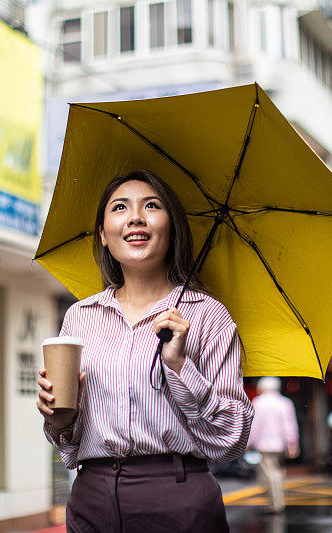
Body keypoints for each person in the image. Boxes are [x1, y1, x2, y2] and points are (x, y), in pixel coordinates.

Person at [36, 169, 254, 532]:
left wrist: (180, 365)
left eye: (151, 206)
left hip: (178, 500)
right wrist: (59, 421)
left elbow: (232, 440)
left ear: (171, 227)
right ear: (104, 235)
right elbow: (70, 443)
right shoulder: (80, 317)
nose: (136, 216)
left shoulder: (207, 315)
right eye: (120, 207)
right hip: (93, 496)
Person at [247, 377, 299, 514]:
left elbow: (254, 426)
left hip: (263, 445)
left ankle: (275, 504)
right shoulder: (285, 403)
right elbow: (290, 425)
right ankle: (277, 502)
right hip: (280, 445)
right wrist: (292, 444)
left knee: (270, 474)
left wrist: (249, 442)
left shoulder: (258, 402)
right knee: (277, 472)